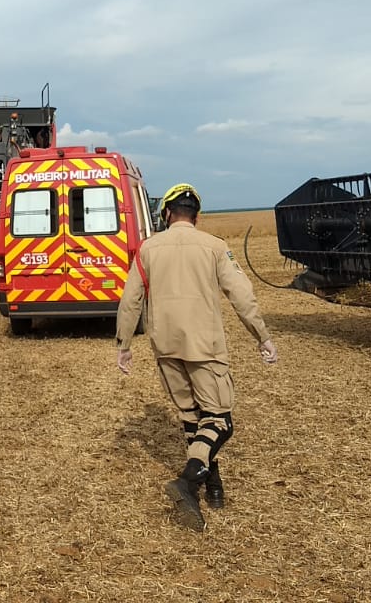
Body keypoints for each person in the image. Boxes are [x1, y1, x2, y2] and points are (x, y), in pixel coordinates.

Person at [114, 182, 279, 532]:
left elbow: (130, 300)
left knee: (194, 420)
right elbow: (242, 295)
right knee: (220, 420)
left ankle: (213, 486)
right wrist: (262, 336)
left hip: (165, 346)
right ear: (197, 216)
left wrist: (123, 344)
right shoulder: (215, 247)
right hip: (205, 346)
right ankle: (189, 482)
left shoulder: (147, 248)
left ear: (167, 213)